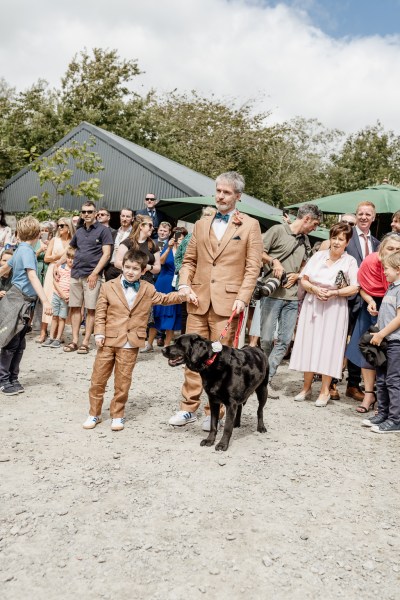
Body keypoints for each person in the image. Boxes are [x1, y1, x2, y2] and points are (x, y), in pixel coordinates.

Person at [168, 171, 263, 430]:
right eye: (218, 191)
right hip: (198, 300)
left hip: (228, 303)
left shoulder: (250, 225)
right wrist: (185, 283)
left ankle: (216, 411)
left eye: (227, 192)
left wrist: (243, 298)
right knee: (190, 357)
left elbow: (252, 267)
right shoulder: (201, 224)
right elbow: (188, 260)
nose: (221, 196)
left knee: (221, 361)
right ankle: (188, 407)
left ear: (238, 196)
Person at [83, 250, 195, 432]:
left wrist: (183, 294)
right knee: (98, 379)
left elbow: (164, 299)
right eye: (127, 267)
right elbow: (101, 310)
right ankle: (94, 413)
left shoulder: (147, 288)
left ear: (143, 271)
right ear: (122, 267)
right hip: (109, 339)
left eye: (135, 269)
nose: (130, 271)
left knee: (123, 381)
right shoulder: (108, 286)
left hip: (131, 341)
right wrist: (99, 333)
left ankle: (118, 414)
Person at [289, 223, 359, 406]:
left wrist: (334, 293)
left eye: (341, 239)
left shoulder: (350, 261)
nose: (336, 242)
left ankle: (325, 390)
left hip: (335, 307)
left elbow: (355, 287)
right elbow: (303, 279)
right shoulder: (318, 256)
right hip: (312, 304)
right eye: (334, 238)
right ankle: (306, 387)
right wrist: (313, 288)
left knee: (329, 346)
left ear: (347, 242)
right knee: (309, 343)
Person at [259, 204, 322, 398]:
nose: (315, 228)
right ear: (306, 219)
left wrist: (298, 274)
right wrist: (274, 261)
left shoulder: (306, 240)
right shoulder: (278, 230)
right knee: (267, 340)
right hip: (272, 294)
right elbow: (258, 252)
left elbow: (309, 264)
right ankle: (259, 376)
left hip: (292, 297)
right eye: (315, 224)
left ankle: (265, 380)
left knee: (284, 341)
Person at [346, 233, 400, 413]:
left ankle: (386, 400)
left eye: (398, 250)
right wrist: (370, 301)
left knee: (390, 356)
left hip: (394, 308)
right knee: (369, 353)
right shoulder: (370, 262)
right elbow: (361, 286)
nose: (393, 252)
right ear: (381, 249)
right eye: (390, 248)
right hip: (371, 304)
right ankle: (369, 394)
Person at [0, 216, 53, 396]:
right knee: (12, 342)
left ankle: (13, 377)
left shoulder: (23, 250)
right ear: (38, 234)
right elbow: (31, 275)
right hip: (18, 300)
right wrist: (45, 301)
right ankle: (4, 380)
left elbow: (5, 268)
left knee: (20, 342)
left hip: (24, 301)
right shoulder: (26, 251)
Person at [55, 201, 113, 354]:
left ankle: (86, 342)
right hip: (76, 273)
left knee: (91, 309)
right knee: (74, 308)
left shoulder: (103, 230)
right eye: (84, 212)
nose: (86, 214)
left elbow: (106, 254)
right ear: (81, 214)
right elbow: (70, 248)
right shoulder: (79, 231)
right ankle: (74, 341)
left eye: (90, 211)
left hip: (92, 275)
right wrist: (57, 265)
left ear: (95, 213)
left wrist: (95, 273)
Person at [345, 202, 380, 402]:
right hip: (348, 296)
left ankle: (353, 384)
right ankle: (331, 382)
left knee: (360, 340)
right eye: (361, 214)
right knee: (340, 338)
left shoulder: (376, 243)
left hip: (367, 300)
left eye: (368, 214)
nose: (364, 217)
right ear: (355, 216)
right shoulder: (347, 238)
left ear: (373, 218)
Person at [364, 251, 400, 433]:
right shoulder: (392, 288)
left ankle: (396, 419)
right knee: (383, 378)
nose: (384, 272)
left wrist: (382, 333)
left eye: (386, 269)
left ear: (398, 270)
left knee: (393, 380)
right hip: (385, 341)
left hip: (395, 342)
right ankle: (383, 413)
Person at [144, 227, 188, 351]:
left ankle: (167, 345)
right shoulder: (164, 247)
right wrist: (168, 248)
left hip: (176, 284)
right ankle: (149, 344)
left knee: (172, 313)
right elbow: (161, 262)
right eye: (176, 236)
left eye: (181, 237)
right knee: (156, 311)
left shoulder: (186, 251)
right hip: (163, 282)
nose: (178, 239)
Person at [39, 218, 74, 343]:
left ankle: (58, 334)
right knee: (48, 299)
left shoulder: (73, 241)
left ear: (69, 227)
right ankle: (43, 332)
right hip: (53, 269)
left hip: (68, 272)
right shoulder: (55, 240)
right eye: (58, 225)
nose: (59, 228)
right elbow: (46, 258)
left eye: (62, 225)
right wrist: (61, 256)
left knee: (63, 302)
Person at [42, 247, 75, 349]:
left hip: (66, 298)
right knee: (54, 316)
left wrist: (67, 295)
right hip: (57, 295)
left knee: (62, 318)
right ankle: (51, 337)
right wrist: (61, 293)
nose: (70, 260)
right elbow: (55, 282)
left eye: (73, 258)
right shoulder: (61, 268)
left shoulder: (75, 272)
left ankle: (58, 338)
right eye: (69, 257)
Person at [114, 214, 161, 282]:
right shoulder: (127, 242)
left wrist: (149, 267)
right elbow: (117, 263)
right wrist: (135, 267)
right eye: (150, 225)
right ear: (141, 226)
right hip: (128, 281)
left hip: (146, 283)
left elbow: (158, 268)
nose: (153, 228)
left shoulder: (153, 245)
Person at [104, 208, 134, 281]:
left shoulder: (135, 234)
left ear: (132, 219)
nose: (124, 219)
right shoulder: (113, 233)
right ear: (120, 217)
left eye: (128, 216)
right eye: (123, 216)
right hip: (110, 269)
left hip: (126, 270)